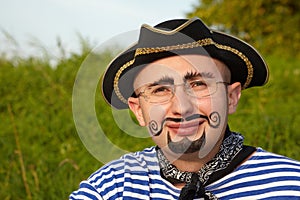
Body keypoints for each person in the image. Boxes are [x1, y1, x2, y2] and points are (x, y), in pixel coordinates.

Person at [69, 17, 300, 199]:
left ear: (231, 97)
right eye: (160, 90)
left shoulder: (291, 185)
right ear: (138, 110)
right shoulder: (110, 189)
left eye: (199, 84)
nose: (182, 107)